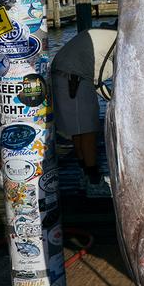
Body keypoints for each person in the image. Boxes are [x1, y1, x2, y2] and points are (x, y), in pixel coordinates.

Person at [50, 24, 117, 198]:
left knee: (78, 130)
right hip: (75, 80)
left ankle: (86, 174)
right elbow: (100, 77)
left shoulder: (102, 33)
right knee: (88, 131)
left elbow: (97, 77)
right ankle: (94, 181)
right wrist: (114, 99)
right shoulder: (118, 41)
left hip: (64, 76)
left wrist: (111, 98)